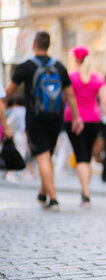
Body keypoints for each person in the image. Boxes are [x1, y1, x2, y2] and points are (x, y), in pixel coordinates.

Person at [5, 31, 83, 211]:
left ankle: (53, 199)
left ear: (34, 44)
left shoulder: (26, 67)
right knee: (47, 157)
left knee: (43, 156)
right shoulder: (59, 67)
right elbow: (70, 94)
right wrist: (77, 116)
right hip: (56, 119)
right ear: (48, 45)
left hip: (35, 119)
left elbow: (7, 92)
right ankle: (42, 192)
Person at [64, 44, 106, 208]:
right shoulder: (97, 78)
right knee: (86, 156)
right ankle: (85, 192)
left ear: (76, 59)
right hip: (93, 120)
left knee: (80, 155)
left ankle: (85, 193)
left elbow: (65, 99)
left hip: (73, 120)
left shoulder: (71, 77)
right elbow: (105, 103)